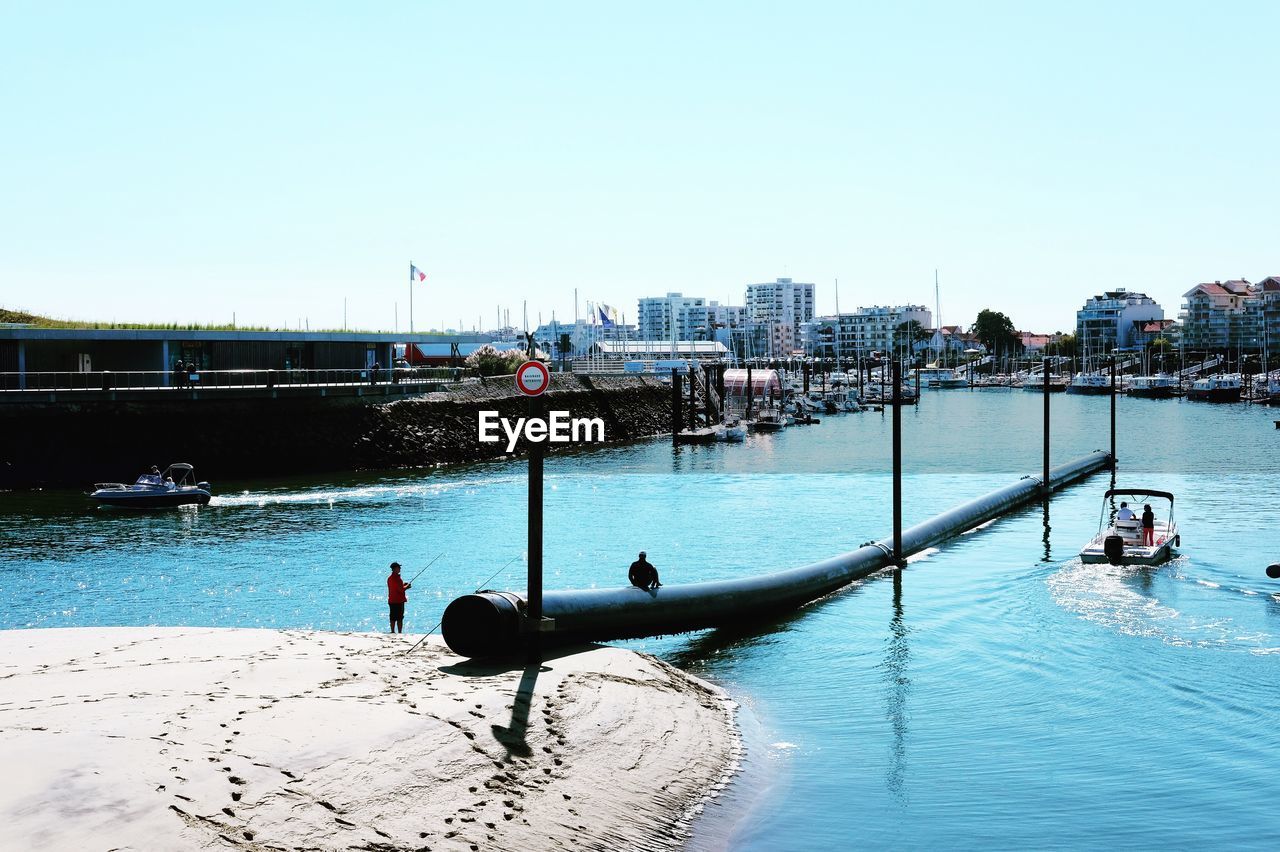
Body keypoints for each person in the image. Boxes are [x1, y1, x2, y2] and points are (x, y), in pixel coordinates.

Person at [387, 561, 411, 633]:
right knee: (400, 618)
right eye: (398, 567)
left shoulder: (389, 578)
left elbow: (396, 587)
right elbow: (401, 590)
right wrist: (407, 586)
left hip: (391, 600)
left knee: (392, 617)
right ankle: (400, 632)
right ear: (395, 569)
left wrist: (403, 585)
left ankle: (392, 631)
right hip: (398, 601)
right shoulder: (397, 579)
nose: (400, 568)